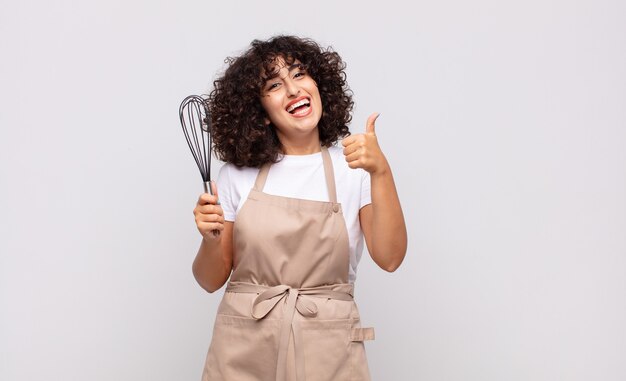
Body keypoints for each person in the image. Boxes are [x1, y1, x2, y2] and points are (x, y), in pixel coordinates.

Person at [191, 35, 407, 381]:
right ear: (259, 113)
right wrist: (210, 238)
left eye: (299, 74)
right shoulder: (236, 177)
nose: (292, 89)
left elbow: (390, 257)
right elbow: (209, 279)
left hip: (328, 349)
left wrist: (381, 171)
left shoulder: (354, 167)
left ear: (319, 85)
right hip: (245, 348)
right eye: (274, 85)